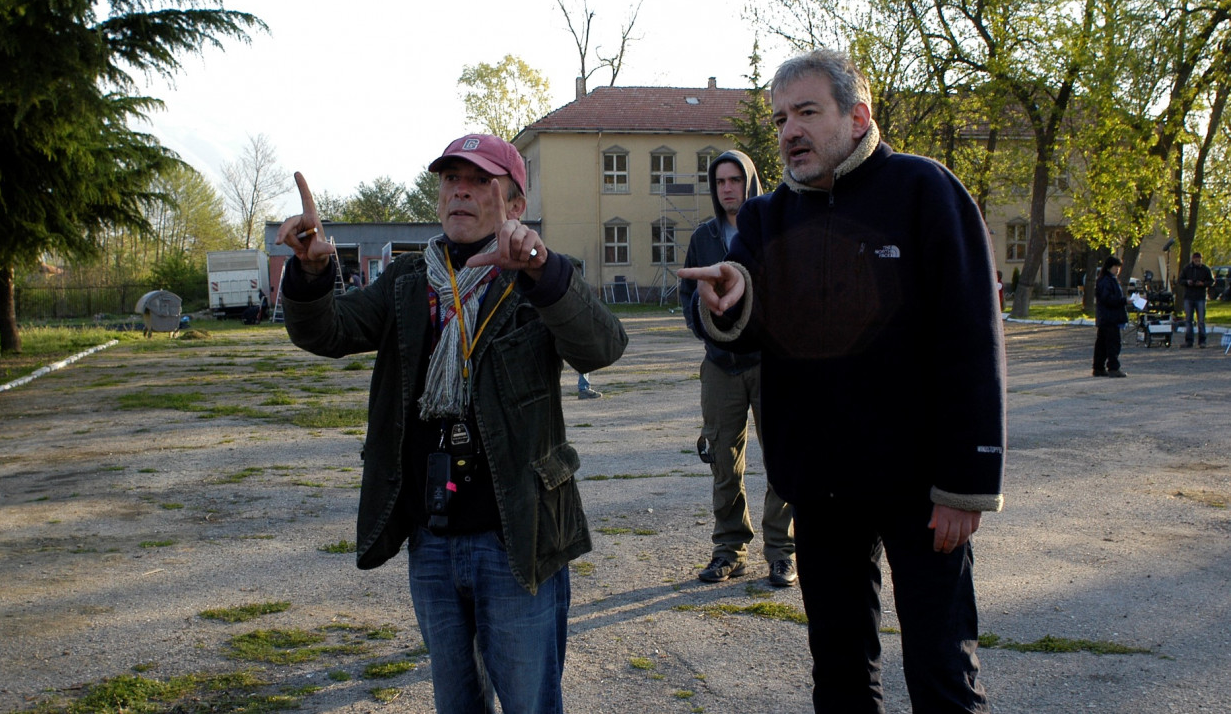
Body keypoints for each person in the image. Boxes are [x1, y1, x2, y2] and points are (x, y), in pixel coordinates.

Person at [678, 50, 1005, 713]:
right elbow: (736, 311)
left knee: (942, 673)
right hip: (821, 489)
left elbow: (971, 339)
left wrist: (965, 486)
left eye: (806, 112)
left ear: (858, 117)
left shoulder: (924, 191)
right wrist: (728, 300)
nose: (790, 131)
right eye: (780, 119)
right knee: (840, 678)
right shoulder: (766, 218)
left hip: (922, 488)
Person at [276, 133, 628, 713]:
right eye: (450, 179)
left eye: (480, 180)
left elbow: (603, 346)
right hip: (433, 539)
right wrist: (312, 273)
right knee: (455, 703)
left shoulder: (536, 281)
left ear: (515, 204)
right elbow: (328, 331)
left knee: (530, 703)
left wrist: (543, 271)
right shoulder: (408, 281)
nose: (460, 190)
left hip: (515, 538)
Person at [679, 150, 796, 587]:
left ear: (750, 182)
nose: (727, 188)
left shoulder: (769, 230)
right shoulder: (704, 236)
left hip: (769, 364)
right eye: (720, 182)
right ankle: (729, 549)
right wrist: (706, 330)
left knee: (781, 458)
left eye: (735, 180)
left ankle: (782, 552)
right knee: (723, 461)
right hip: (719, 366)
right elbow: (688, 296)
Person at [1093, 257, 1128, 377]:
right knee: (1113, 344)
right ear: (1109, 267)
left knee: (1102, 344)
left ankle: (1098, 368)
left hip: (1105, 317)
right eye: (1116, 267)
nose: (1117, 269)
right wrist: (1124, 301)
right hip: (1110, 317)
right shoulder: (1107, 281)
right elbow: (1108, 299)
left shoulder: (1106, 279)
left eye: (1118, 267)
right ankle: (1113, 368)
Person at [1178, 251, 1214, 348]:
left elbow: (1211, 281)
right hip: (1189, 296)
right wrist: (1187, 282)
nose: (1198, 262)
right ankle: (1189, 341)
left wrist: (1203, 284)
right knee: (1188, 320)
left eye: (1199, 260)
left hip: (1200, 296)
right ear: (1193, 259)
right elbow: (1180, 280)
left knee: (1201, 320)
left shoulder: (1205, 269)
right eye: (1196, 260)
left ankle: (1202, 341)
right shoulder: (1187, 268)